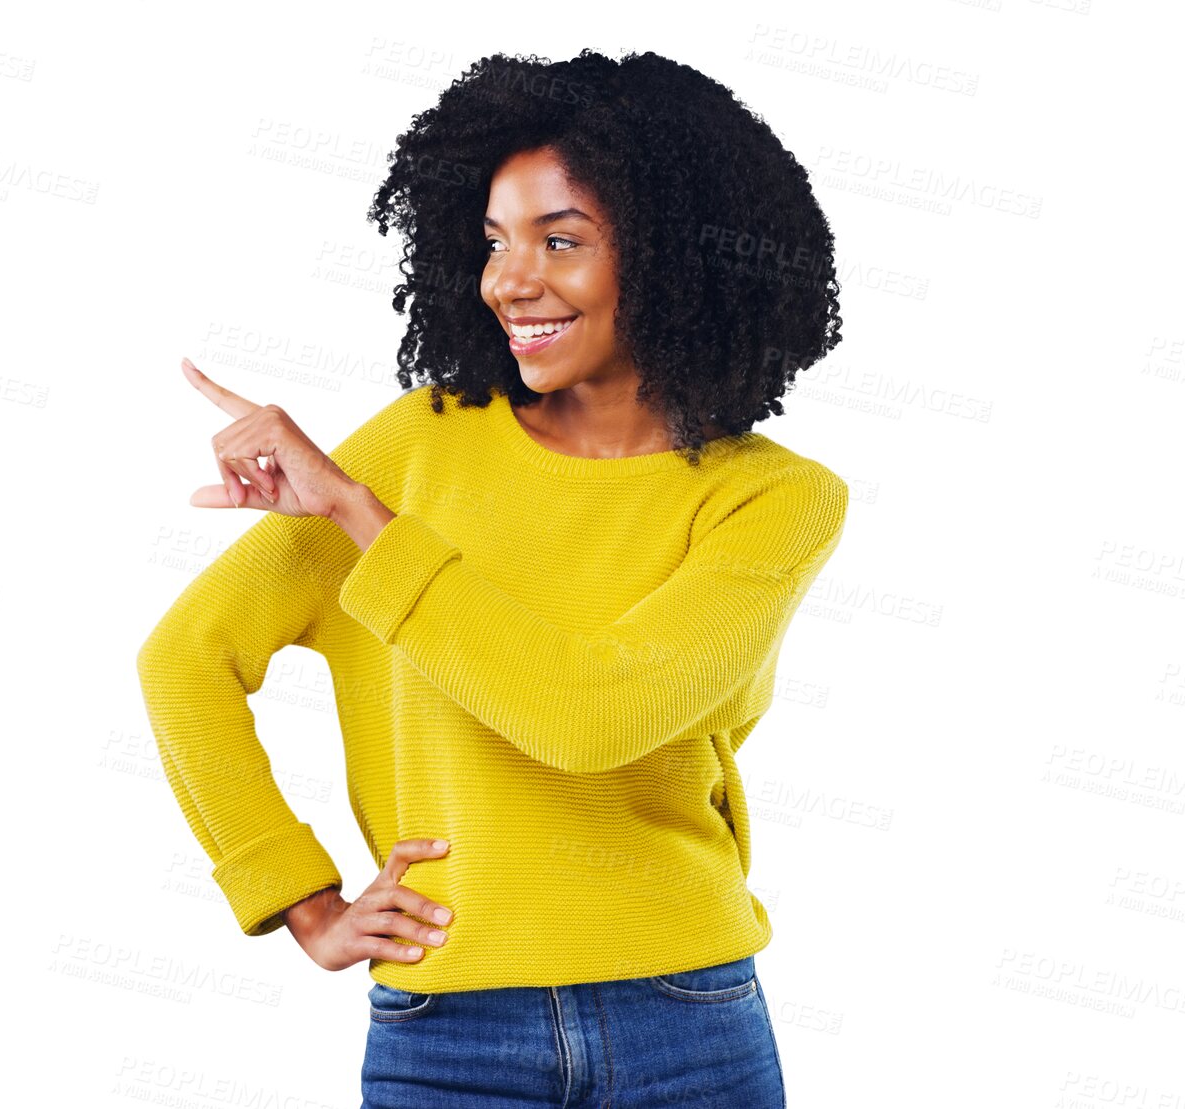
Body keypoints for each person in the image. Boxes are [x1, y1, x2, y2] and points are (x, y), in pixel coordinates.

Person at [137, 47, 849, 1108]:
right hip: (450, 1029)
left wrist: (356, 513)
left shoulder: (773, 498)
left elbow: (590, 712)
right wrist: (297, 895)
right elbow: (186, 657)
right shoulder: (417, 445)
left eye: (561, 240)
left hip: (688, 1021)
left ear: (671, 258)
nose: (512, 281)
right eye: (494, 241)